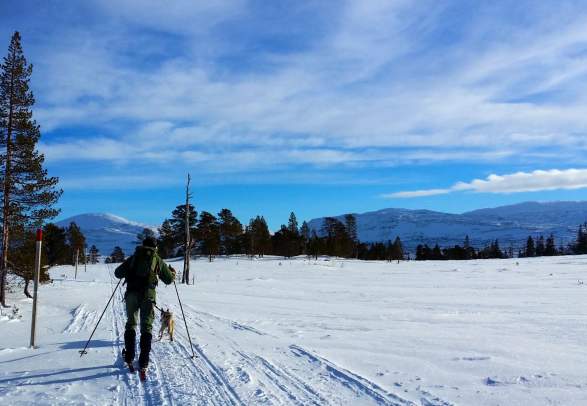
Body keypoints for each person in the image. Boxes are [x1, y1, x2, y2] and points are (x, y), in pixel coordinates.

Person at [114, 236, 175, 379]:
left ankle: (129, 356)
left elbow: (117, 273)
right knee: (146, 327)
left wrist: (129, 271)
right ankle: (144, 362)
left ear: (143, 245)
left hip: (132, 295)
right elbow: (169, 279)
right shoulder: (157, 259)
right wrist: (172, 273)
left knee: (131, 324)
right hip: (148, 296)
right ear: (155, 247)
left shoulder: (134, 257)